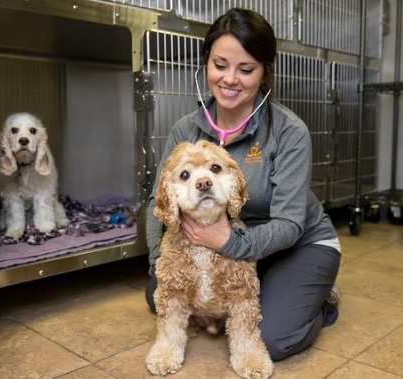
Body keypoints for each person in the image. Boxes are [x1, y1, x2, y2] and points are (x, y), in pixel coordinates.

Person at [145, 8, 342, 362]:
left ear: (264, 71)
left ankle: (318, 299)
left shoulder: (289, 132)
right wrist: (162, 265)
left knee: (275, 337)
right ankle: (265, 288)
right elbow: (156, 204)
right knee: (159, 294)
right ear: (206, 64)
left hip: (296, 242)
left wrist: (229, 241)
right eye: (220, 65)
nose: (230, 79)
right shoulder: (184, 130)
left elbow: (289, 224)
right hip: (221, 250)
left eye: (246, 69)